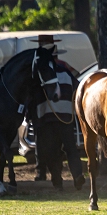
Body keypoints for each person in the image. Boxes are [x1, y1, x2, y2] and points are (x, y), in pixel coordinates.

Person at [29, 34, 85, 190]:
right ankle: (77, 176)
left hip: (47, 118)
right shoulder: (66, 69)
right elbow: (78, 87)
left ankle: (57, 181)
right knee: (70, 148)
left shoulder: (37, 71)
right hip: (65, 116)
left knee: (53, 150)